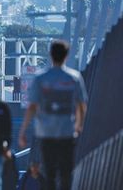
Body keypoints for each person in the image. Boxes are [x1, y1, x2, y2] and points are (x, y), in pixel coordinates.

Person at [18, 40, 88, 190]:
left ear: (50, 56)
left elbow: (32, 107)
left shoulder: (40, 79)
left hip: (46, 132)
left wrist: (23, 131)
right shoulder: (74, 77)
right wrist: (78, 125)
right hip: (67, 131)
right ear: (66, 57)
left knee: (49, 172)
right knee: (66, 172)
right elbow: (81, 105)